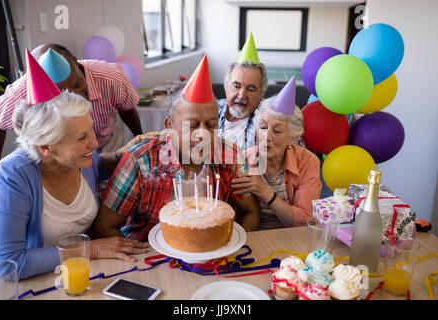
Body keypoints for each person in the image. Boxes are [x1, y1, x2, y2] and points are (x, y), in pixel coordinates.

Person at [0, 51, 149, 280]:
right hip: (34, 285)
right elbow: (9, 264)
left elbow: (99, 164)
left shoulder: (78, 159)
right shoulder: (11, 177)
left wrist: (131, 150)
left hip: (84, 276)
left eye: (91, 129)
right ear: (46, 147)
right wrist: (91, 249)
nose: (94, 143)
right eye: (81, 137)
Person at [93, 56, 260, 241]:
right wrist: (141, 256)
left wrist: (231, 243)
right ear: (169, 125)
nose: (202, 134)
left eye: (211, 124)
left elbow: (251, 212)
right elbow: (105, 225)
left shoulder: (229, 155)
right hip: (151, 256)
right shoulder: (140, 161)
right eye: (192, 125)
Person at [0, 43, 143, 189]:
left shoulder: (111, 78)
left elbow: (127, 108)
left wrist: (139, 138)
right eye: (63, 94)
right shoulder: (20, 93)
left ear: (76, 63)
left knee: (112, 192)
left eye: (77, 84)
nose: (76, 96)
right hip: (57, 155)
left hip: (106, 140)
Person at [232, 77, 322, 229]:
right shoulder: (242, 161)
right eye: (262, 127)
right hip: (252, 235)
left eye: (278, 131)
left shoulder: (308, 162)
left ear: (293, 138)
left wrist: (263, 191)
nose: (267, 137)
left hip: (292, 236)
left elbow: (305, 220)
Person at [217, 33, 268, 151]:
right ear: (226, 87)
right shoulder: (209, 110)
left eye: (250, 89)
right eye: (236, 86)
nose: (241, 95)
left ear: (261, 93)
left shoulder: (270, 119)